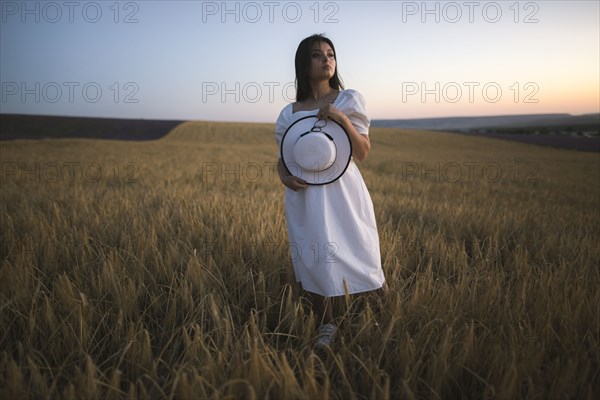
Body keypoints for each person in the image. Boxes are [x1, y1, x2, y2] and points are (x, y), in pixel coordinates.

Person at [275, 34, 387, 349]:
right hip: (305, 195)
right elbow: (285, 156)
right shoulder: (290, 113)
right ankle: (327, 324)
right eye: (316, 54)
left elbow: (362, 152)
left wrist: (340, 119)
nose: (326, 59)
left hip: (343, 191)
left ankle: (386, 316)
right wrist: (282, 174)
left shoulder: (348, 100)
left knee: (362, 250)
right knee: (313, 257)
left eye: (330, 53)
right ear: (303, 63)